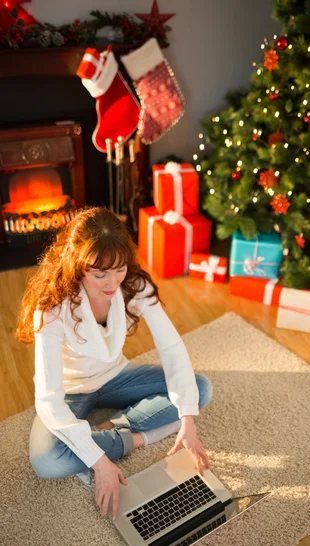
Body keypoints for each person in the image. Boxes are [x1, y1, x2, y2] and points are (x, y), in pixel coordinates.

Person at [16, 206, 212, 521]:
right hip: (71, 391)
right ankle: (134, 437)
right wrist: (99, 461)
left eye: (119, 269)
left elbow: (172, 347)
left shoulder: (133, 285)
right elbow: (48, 398)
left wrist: (187, 422)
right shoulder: (52, 308)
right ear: (79, 266)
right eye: (100, 274)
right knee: (47, 460)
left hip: (116, 376)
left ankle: (107, 428)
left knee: (199, 390)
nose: (112, 283)